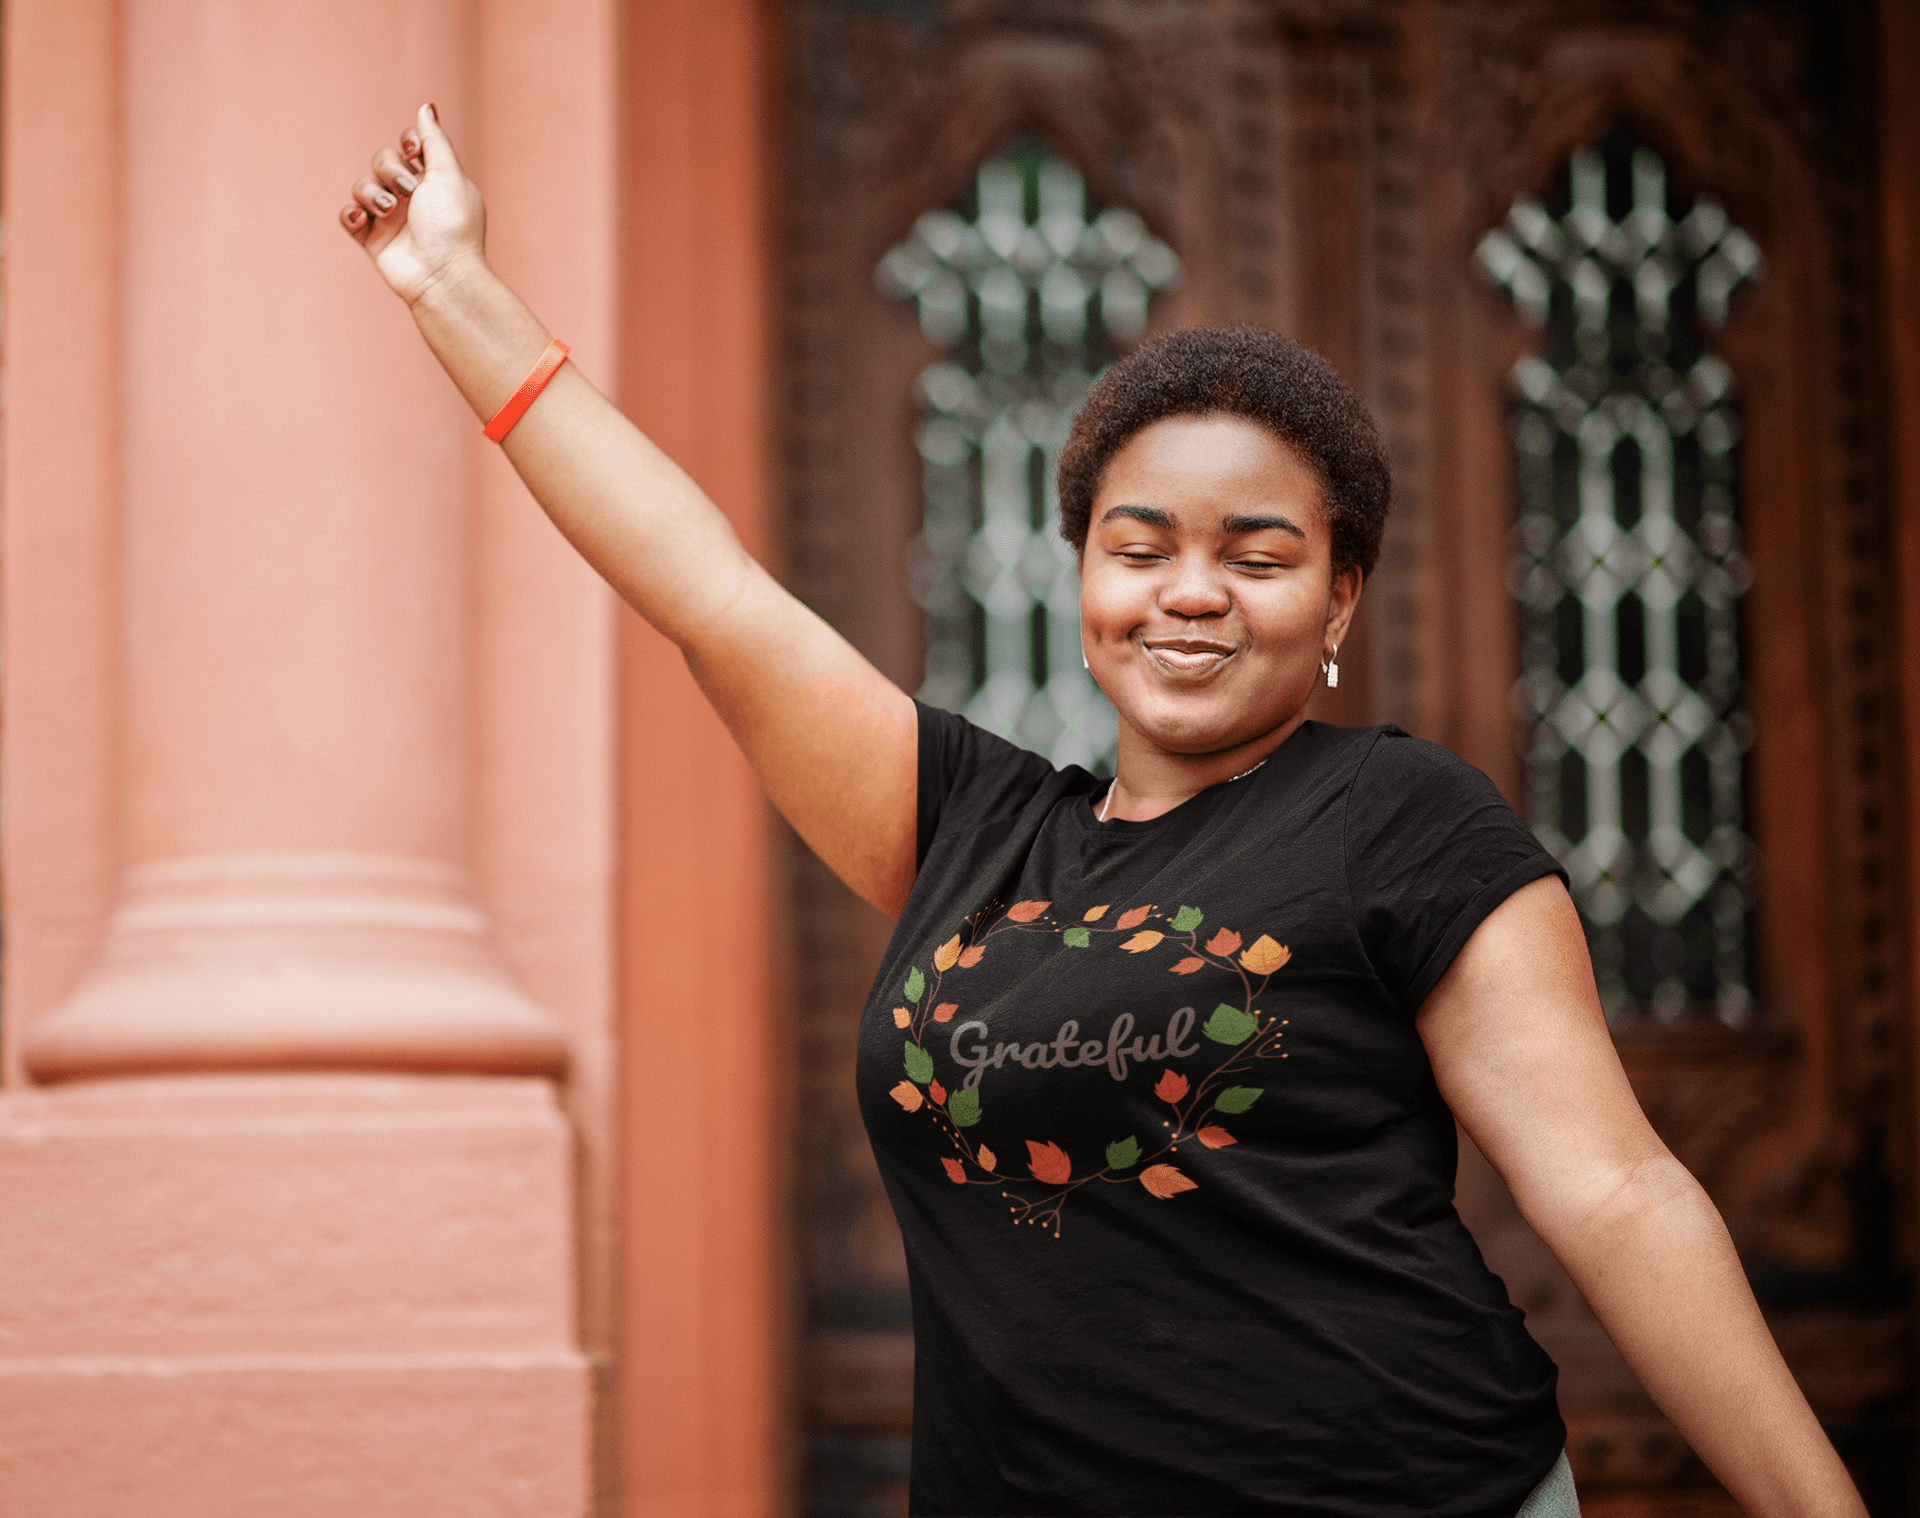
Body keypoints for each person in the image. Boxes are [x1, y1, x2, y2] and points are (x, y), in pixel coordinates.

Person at [342, 104, 1866, 1518]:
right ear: (1083, 586)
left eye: (1257, 555)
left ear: (1338, 597)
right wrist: (452, 292)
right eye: (1140, 548)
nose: (1190, 591)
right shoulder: (968, 829)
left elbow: (1614, 1191)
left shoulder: (1400, 816)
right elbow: (712, 595)